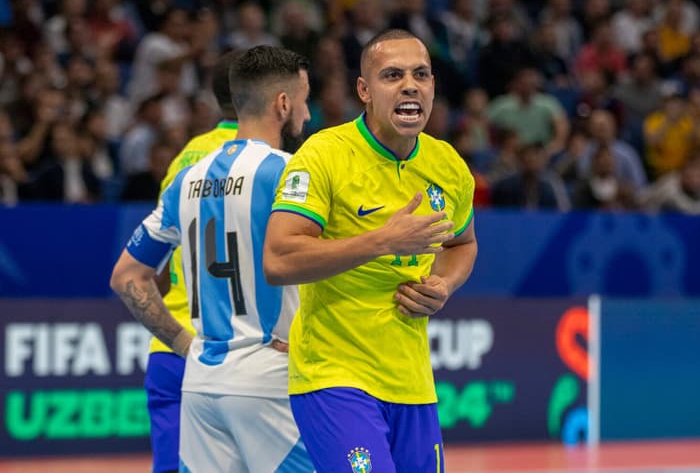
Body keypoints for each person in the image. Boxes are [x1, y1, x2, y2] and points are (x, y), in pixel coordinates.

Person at [264, 29, 478, 472]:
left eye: (421, 74)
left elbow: (462, 243)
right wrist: (382, 241)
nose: (410, 86)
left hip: (413, 383)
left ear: (434, 86)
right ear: (364, 90)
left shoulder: (448, 166)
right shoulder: (324, 154)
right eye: (392, 75)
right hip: (334, 377)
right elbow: (279, 259)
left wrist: (444, 283)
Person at [110, 45, 314, 473]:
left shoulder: (187, 176)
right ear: (282, 104)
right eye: (303, 100)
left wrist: (185, 345)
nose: (307, 114)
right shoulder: (290, 172)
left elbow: (127, 276)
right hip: (269, 379)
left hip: (202, 383)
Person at [140, 48, 242, 473]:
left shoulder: (185, 157)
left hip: (170, 344)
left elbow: (156, 263)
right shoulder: (268, 160)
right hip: (235, 349)